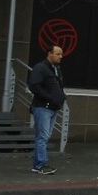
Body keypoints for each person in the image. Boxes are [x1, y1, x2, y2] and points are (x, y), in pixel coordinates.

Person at [27, 45, 66, 174]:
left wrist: (60, 97)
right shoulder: (41, 68)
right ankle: (41, 164)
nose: (61, 56)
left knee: (43, 136)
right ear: (50, 53)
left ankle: (38, 164)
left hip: (51, 106)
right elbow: (34, 86)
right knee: (43, 137)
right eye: (58, 54)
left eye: (61, 54)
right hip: (43, 107)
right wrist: (50, 98)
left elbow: (56, 86)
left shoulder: (55, 69)